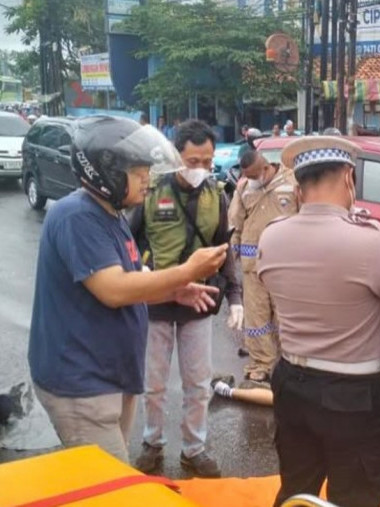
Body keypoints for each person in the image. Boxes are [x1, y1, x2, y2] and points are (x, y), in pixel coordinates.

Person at [28, 116, 227, 464]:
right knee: (108, 488)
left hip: (108, 378)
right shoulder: (77, 216)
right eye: (138, 173)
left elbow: (131, 278)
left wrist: (174, 291)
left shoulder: (111, 214)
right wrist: (187, 271)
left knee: (104, 482)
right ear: (106, 174)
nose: (147, 181)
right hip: (82, 386)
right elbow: (114, 289)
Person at [256, 136, 380, 507]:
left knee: (297, 490)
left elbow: (304, 296)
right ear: (349, 178)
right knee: (357, 496)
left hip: (292, 383)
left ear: (298, 185)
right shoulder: (371, 241)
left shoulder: (271, 236)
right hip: (354, 394)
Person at [129, 119, 242, 477]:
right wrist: (145, 274)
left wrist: (235, 295)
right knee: (154, 383)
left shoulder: (216, 195)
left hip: (199, 304)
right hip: (157, 302)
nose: (201, 169)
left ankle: (194, 449)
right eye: (193, 161)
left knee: (197, 383)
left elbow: (225, 246)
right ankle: (151, 443)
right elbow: (129, 242)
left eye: (207, 162)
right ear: (177, 156)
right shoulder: (150, 193)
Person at [229, 150, 298, 383]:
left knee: (284, 316)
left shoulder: (291, 182)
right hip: (252, 264)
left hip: (284, 264)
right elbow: (235, 222)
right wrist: (232, 250)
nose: (251, 180)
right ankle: (261, 363)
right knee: (257, 317)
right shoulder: (244, 187)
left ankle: (285, 362)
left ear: (266, 168)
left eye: (254, 175)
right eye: (247, 176)